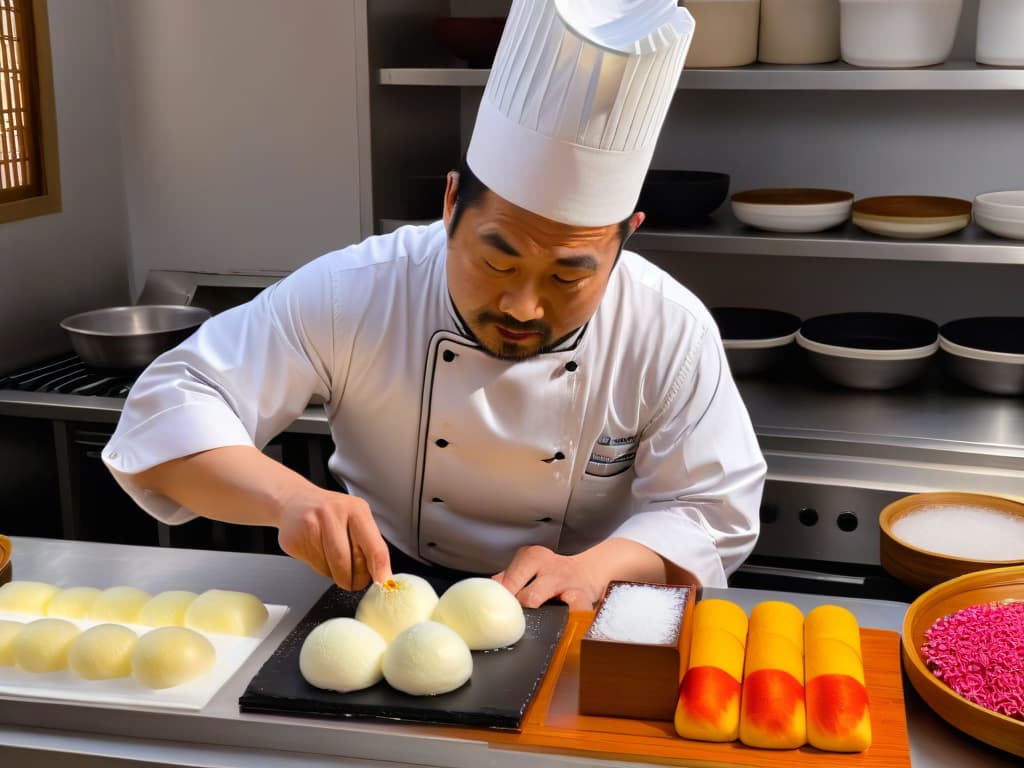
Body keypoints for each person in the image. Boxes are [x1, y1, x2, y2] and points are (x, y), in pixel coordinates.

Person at [103, 0, 766, 610]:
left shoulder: (667, 328)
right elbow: (171, 404)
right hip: (384, 591)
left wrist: (598, 567)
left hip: (583, 604)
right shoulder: (356, 292)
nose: (524, 306)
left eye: (568, 277)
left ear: (625, 240)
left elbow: (712, 508)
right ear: (451, 206)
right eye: (496, 260)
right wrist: (289, 498)